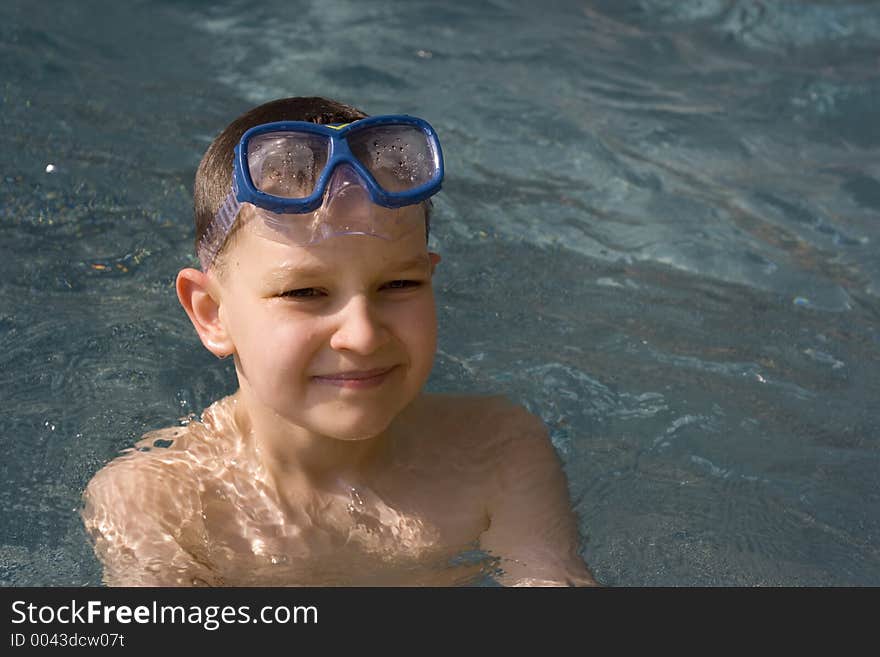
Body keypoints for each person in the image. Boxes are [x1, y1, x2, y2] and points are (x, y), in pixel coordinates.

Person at [81, 96, 597, 587]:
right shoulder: (158, 503)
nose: (363, 334)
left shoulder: (498, 450)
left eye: (399, 284)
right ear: (212, 314)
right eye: (305, 291)